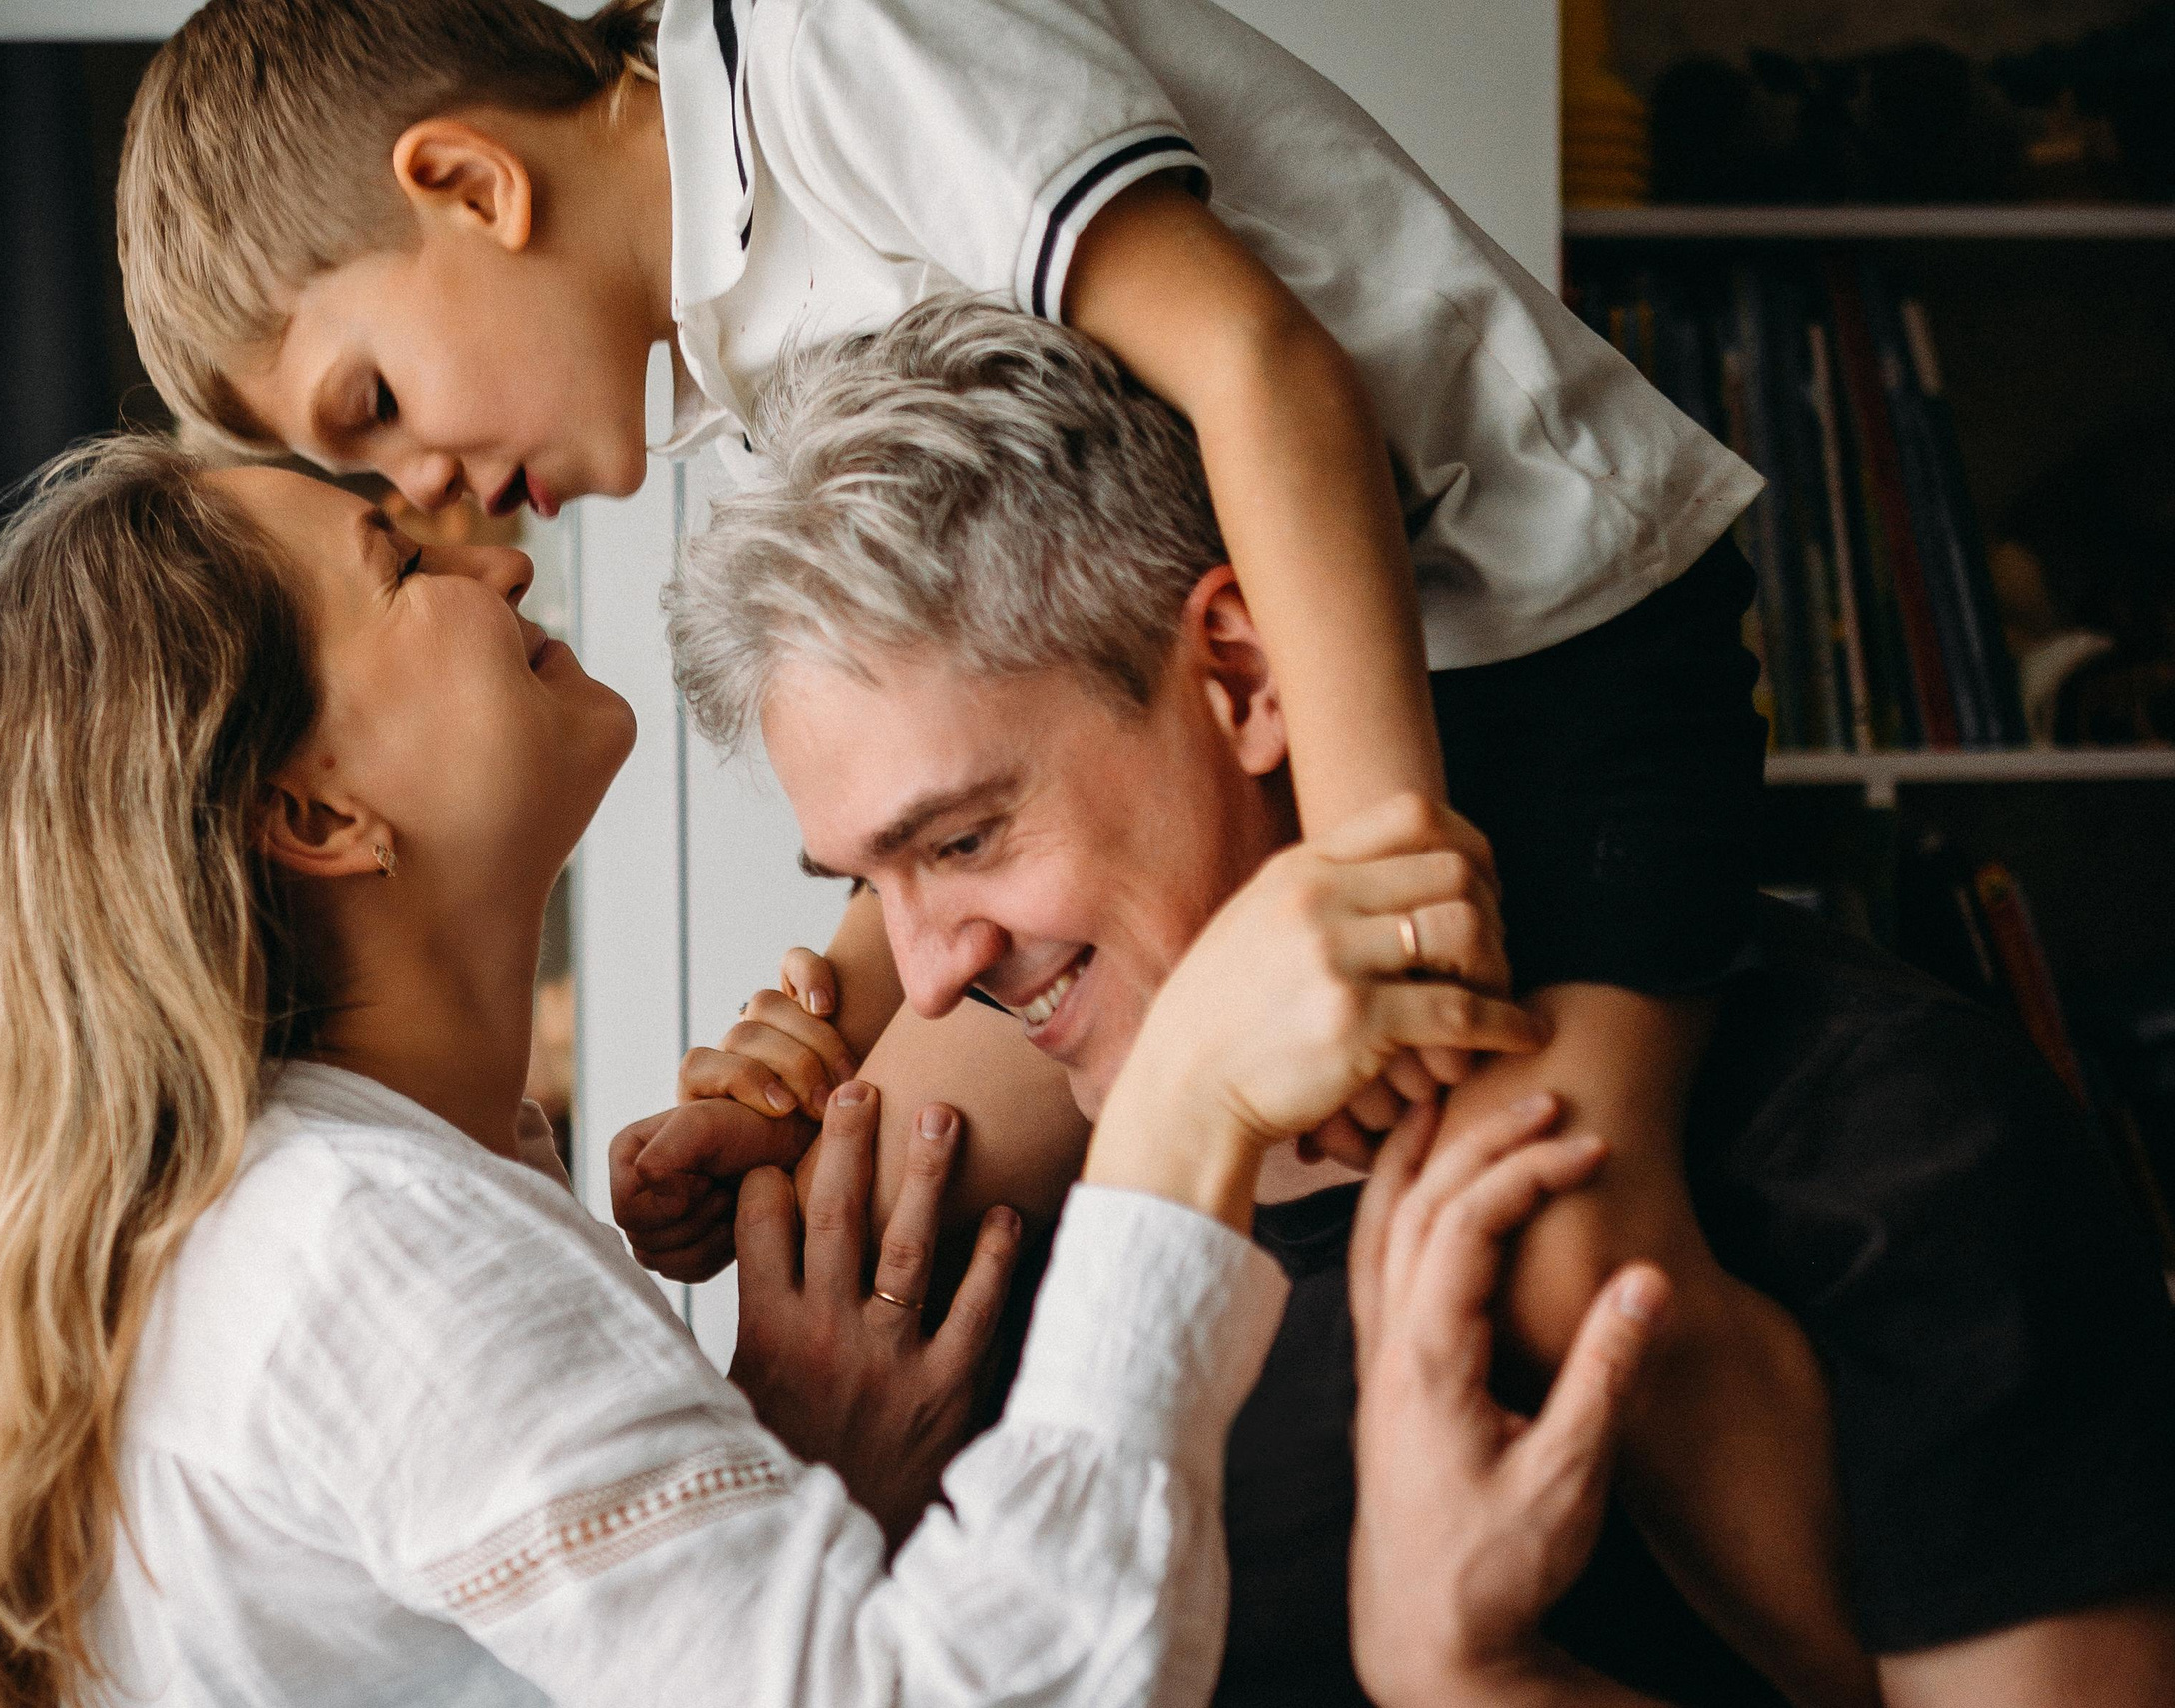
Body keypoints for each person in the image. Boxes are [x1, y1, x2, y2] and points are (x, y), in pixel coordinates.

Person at [112, 10, 1858, 1693]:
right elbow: (963, 767)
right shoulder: (744, 336)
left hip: (1541, 638)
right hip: (1325, 676)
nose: (434, 491)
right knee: (896, 1172)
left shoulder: (834, 55)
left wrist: (1377, 867)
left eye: (372, 407)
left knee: (1561, 1249)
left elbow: (1260, 366)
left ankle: (1873, 1673)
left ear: (471, 185)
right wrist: (811, 1052)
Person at [0, 435, 1608, 1708]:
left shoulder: (344, 1203)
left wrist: (777, 1482)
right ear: (316, 809)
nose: (494, 551)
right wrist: (1187, 1114)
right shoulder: (351, 1246)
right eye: (400, 564)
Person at [636, 302, 2175, 1704]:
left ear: (1241, 673)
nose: (923, 971)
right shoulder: (960, 1271)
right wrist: (833, 1532)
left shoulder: (1885, 1148)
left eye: (964, 840)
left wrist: (1479, 1671)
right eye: (861, 877)